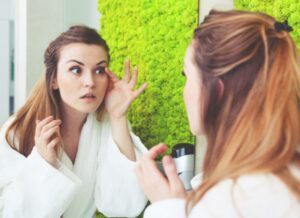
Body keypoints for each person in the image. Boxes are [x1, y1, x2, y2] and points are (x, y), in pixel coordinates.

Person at [136, 10, 300, 218]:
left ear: (217, 92)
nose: (183, 91)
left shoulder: (237, 197)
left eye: (187, 76)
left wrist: (165, 207)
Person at [0, 25, 148, 218]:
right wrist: (44, 163)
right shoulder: (19, 129)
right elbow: (9, 213)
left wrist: (118, 118)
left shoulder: (106, 124)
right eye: (76, 69)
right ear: (53, 79)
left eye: (99, 70)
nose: (90, 82)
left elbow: (124, 205)